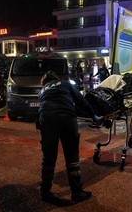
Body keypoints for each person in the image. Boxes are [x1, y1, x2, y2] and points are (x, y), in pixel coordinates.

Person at [36, 71, 101, 203]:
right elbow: (80, 100)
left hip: (47, 120)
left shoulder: (41, 91)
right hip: (66, 117)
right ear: (55, 78)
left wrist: (41, 126)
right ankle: (76, 192)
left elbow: (41, 109)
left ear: (44, 83)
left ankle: (45, 192)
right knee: (72, 158)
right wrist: (92, 115)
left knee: (48, 158)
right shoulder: (65, 84)